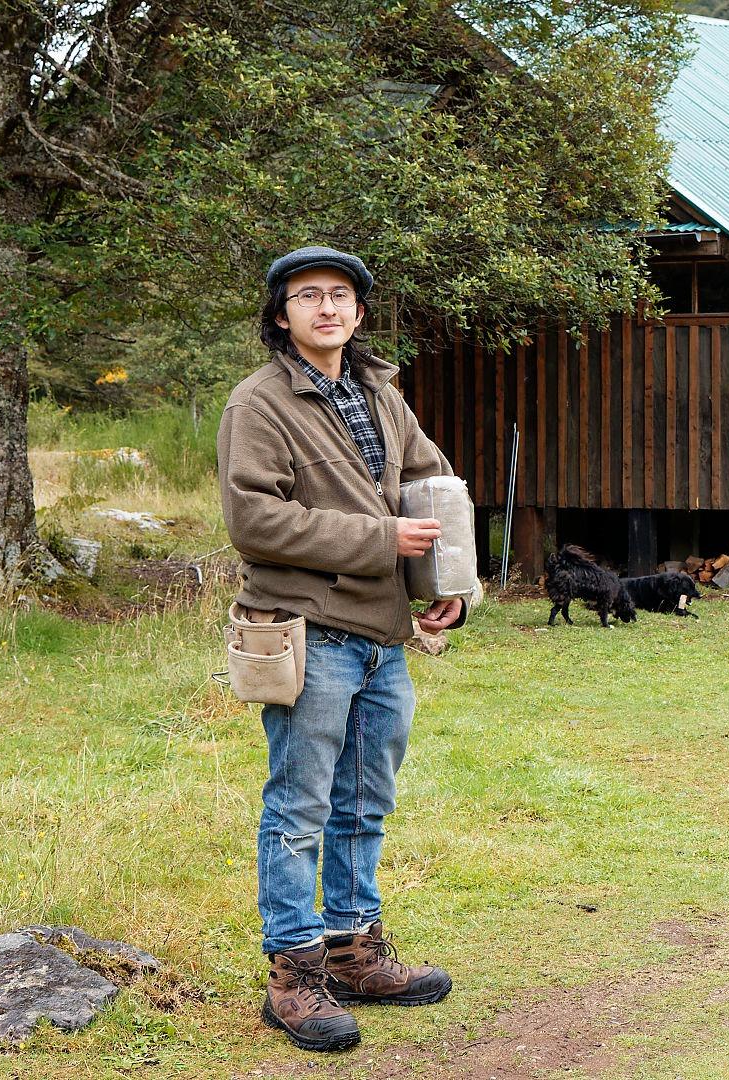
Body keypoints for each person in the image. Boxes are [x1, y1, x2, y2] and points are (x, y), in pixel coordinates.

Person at [218, 245, 465, 1052]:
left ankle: (356, 952)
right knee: (299, 808)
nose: (326, 308)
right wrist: (380, 537)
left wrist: (447, 582)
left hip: (381, 638)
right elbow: (254, 521)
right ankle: (294, 976)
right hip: (306, 630)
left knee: (366, 803)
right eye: (306, 296)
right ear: (280, 316)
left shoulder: (381, 396)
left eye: (340, 296)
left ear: (359, 313)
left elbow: (433, 487)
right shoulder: (257, 405)